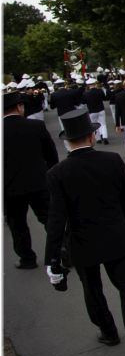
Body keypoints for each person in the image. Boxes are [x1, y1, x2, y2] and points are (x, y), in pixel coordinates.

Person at [45, 107, 125, 356]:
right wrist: (122, 221)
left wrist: (52, 259)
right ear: (92, 136)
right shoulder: (112, 160)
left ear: (67, 141)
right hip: (115, 234)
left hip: (82, 240)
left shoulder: (57, 174)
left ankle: (108, 331)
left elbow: (56, 220)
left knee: (92, 289)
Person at [4, 91, 58, 269]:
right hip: (38, 181)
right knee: (49, 218)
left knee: (17, 225)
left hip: (10, 187)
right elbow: (51, 154)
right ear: (19, 107)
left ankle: (27, 258)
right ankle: (60, 252)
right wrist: (51, 174)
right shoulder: (36, 126)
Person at [82, 78, 110, 144]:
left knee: (94, 125)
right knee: (103, 124)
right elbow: (104, 98)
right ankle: (105, 137)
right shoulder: (99, 91)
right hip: (101, 109)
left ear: (88, 85)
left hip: (92, 111)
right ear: (94, 84)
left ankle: (98, 139)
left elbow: (83, 102)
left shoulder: (86, 93)